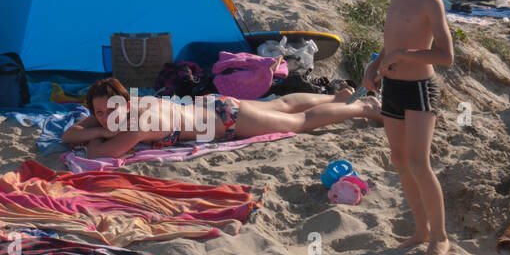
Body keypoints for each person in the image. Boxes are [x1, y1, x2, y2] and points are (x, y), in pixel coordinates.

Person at [365, 0, 454, 255]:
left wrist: (403, 54)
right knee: (401, 162)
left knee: (419, 162)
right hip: (393, 88)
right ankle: (421, 231)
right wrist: (374, 64)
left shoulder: (429, 1)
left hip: (419, 89)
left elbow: (446, 57)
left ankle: (441, 236)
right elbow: (390, 44)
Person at [62, 77, 381, 157]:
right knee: (281, 105)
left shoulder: (140, 125)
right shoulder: (126, 106)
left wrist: (95, 135)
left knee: (299, 123)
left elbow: (98, 153)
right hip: (210, 105)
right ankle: (336, 98)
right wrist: (95, 128)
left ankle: (362, 108)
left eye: (110, 111)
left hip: (228, 121)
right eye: (98, 113)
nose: (105, 119)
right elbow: (70, 134)